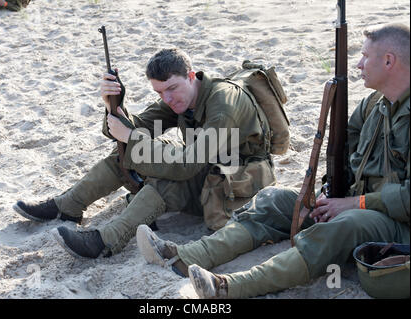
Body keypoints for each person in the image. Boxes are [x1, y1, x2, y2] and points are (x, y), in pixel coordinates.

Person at [136, 23, 410, 298]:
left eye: (365, 56)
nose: (359, 64)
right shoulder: (375, 103)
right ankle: (187, 255)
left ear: (389, 61)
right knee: (274, 200)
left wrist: (356, 203)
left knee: (347, 224)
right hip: (357, 202)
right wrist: (332, 190)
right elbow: (346, 150)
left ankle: (228, 287)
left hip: (397, 223)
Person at [13, 48, 277, 259]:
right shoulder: (179, 99)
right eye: (159, 92)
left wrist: (130, 136)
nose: (168, 99)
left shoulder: (222, 104)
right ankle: (68, 205)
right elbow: (134, 127)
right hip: (208, 164)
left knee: (164, 180)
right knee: (127, 154)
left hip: (238, 176)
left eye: (172, 88)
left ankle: (106, 241)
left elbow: (187, 165)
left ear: (191, 75)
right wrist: (114, 106)